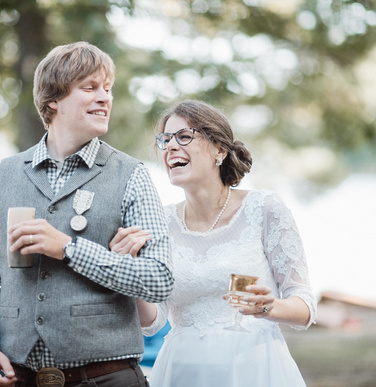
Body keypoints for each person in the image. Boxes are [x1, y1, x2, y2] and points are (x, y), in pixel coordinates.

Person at [0, 41, 174, 387]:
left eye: (107, 89)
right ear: (53, 100)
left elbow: (160, 278)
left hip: (108, 379)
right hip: (18, 378)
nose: (105, 98)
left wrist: (68, 248)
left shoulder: (132, 174)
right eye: (90, 88)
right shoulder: (5, 174)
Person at [109, 100, 317, 386]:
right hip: (181, 370)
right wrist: (128, 271)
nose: (170, 147)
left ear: (219, 149)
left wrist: (269, 307)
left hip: (253, 368)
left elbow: (304, 306)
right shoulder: (159, 223)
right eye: (165, 140)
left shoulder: (265, 208)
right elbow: (152, 322)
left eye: (184, 137)